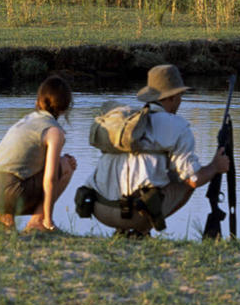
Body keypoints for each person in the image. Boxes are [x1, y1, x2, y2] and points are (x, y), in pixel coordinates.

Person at [83, 64, 229, 236]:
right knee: (186, 183)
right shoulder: (178, 126)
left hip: (99, 208)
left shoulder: (127, 122)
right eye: (180, 95)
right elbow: (193, 179)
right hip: (133, 215)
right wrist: (215, 167)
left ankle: (122, 232)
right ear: (172, 97)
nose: (181, 100)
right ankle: (143, 230)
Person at [0, 75, 77, 232]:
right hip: (9, 192)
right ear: (64, 108)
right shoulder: (54, 131)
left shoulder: (26, 120)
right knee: (66, 165)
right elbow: (51, 178)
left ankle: (5, 218)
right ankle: (38, 222)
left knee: (57, 162)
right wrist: (49, 220)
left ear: (38, 101)